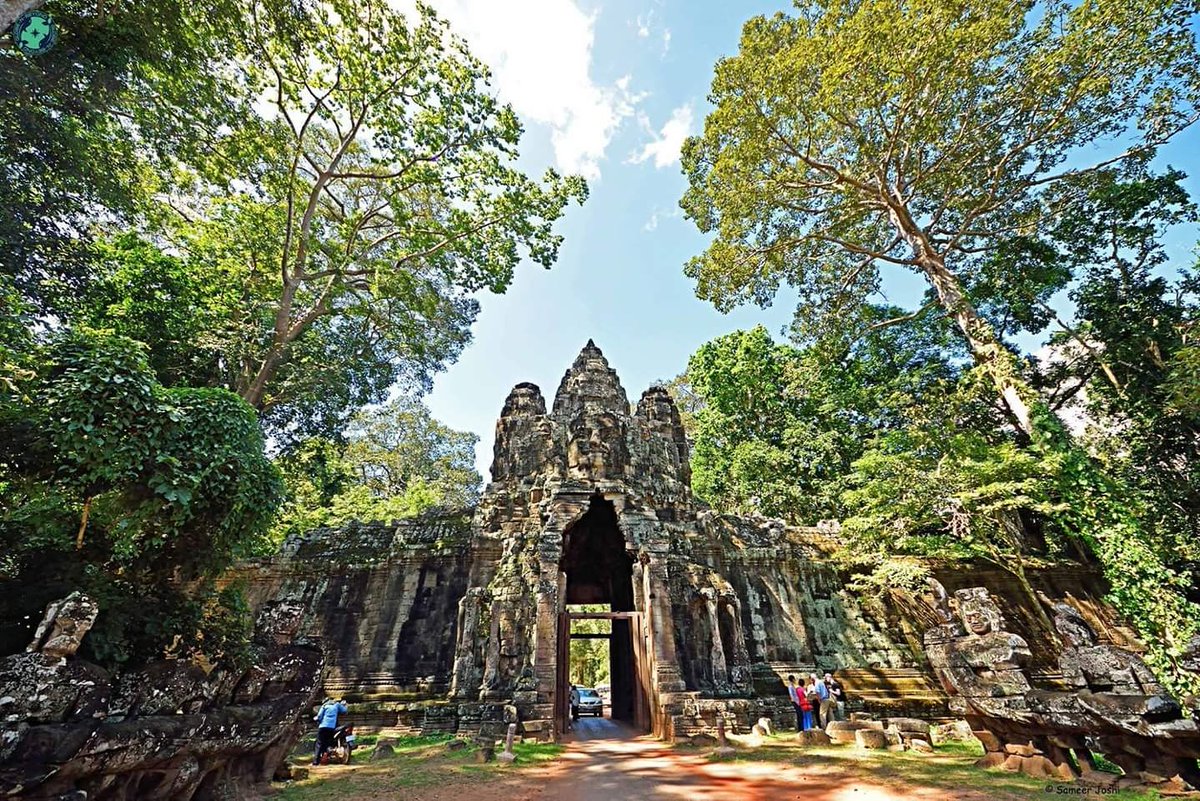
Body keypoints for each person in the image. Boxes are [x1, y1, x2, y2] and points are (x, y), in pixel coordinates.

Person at [312, 697, 348, 765]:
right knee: (329, 741)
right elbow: (344, 711)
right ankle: (329, 751)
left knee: (319, 743)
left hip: (322, 727)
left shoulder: (324, 706)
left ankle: (315, 762)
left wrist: (318, 720)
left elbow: (319, 716)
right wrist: (345, 705)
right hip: (332, 727)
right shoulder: (336, 705)